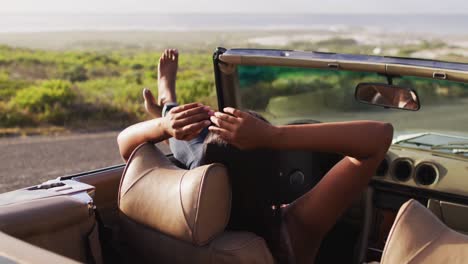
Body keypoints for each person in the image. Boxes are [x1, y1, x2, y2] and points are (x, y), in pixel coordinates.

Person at [117, 49, 393, 264]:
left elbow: (126, 145)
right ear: (273, 177)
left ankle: (168, 105)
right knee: (198, 136)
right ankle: (169, 105)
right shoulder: (293, 232)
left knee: (194, 138)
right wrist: (271, 136)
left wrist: (164, 127)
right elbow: (379, 137)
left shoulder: (174, 210)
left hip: (198, 167)